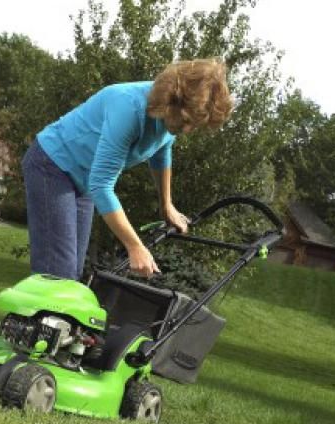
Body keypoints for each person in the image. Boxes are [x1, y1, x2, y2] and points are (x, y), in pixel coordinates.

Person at [22, 58, 233, 281]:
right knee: (57, 273)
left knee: (70, 274)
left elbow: (161, 154)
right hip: (51, 165)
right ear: (171, 99)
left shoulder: (170, 120)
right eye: (185, 120)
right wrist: (135, 246)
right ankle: (27, 316)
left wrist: (167, 205)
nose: (187, 129)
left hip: (82, 181)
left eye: (195, 125)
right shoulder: (129, 108)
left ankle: (45, 315)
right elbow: (101, 185)